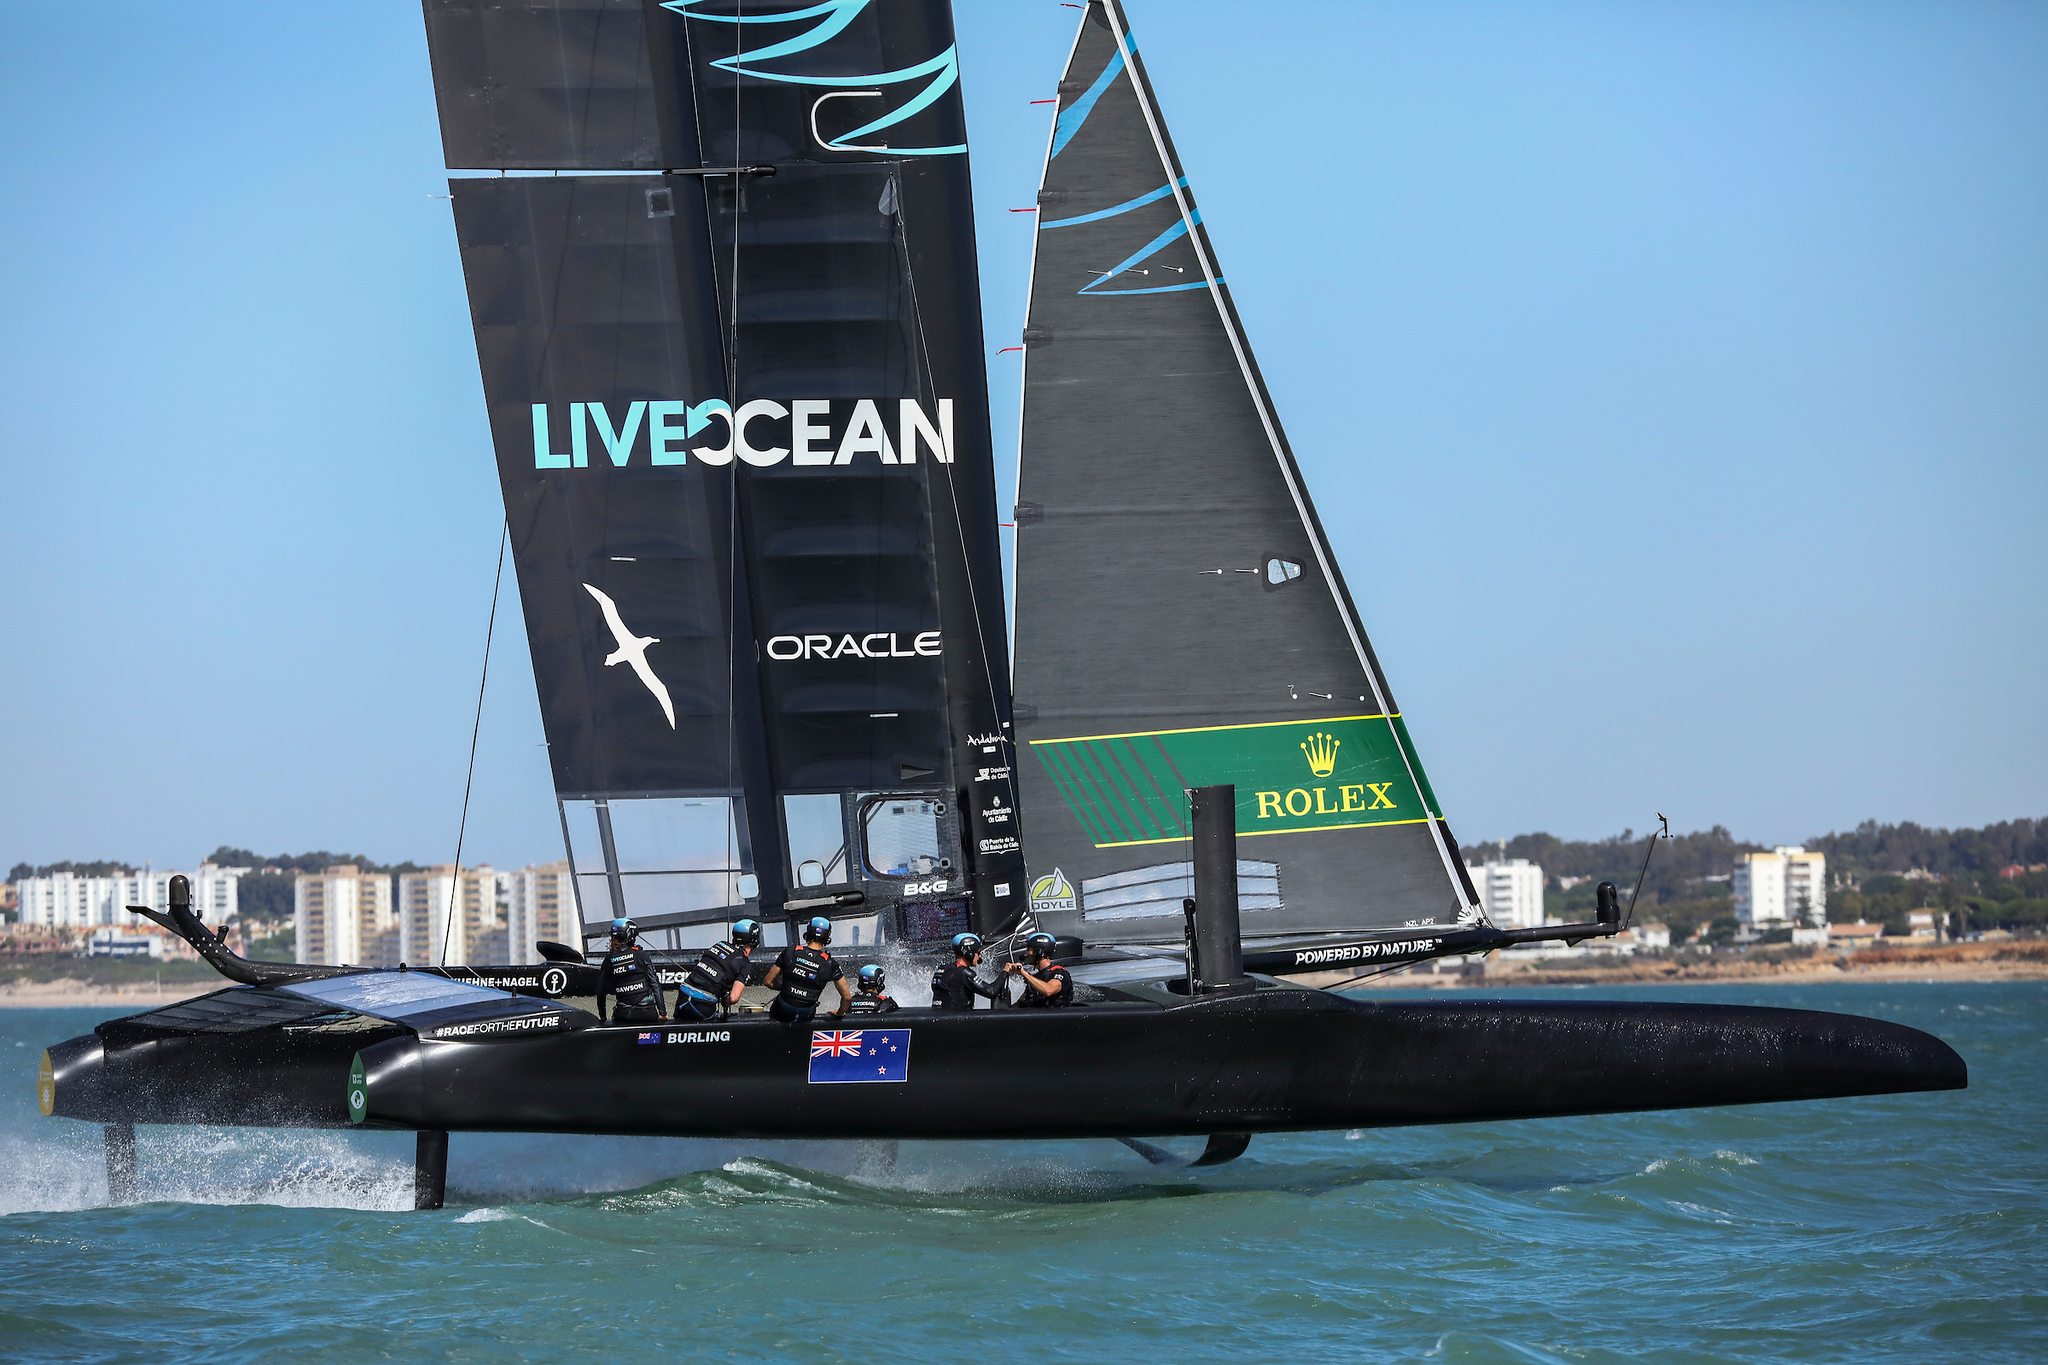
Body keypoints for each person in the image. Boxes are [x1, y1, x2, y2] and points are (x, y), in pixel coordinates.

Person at [762, 915, 851, 1025]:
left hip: (781, 1011)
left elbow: (768, 982)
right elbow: (846, 997)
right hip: (806, 1015)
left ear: (808, 932)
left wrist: (786, 988)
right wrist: (840, 1012)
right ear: (827, 937)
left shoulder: (791, 951)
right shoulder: (830, 964)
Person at [674, 918, 763, 1021]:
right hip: (703, 1005)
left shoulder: (720, 944)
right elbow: (734, 997)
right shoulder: (745, 963)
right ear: (755, 939)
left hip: (683, 995)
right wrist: (725, 1001)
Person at [594, 918, 667, 1025]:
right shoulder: (642, 955)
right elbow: (655, 984)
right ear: (631, 936)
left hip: (623, 1014)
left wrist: (603, 1017)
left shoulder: (609, 960)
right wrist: (663, 1012)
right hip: (647, 1013)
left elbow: (600, 992)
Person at [930, 932, 1005, 1011]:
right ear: (970, 953)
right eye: (978, 952)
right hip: (958, 1021)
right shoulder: (964, 973)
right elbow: (992, 991)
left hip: (940, 1019)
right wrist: (1005, 971)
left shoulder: (941, 969)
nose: (979, 956)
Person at [1004, 932, 1074, 1008]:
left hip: (1058, 1018)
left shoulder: (1059, 972)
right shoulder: (1035, 978)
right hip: (1038, 1018)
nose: (1026, 954)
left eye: (1028, 950)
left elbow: (1048, 990)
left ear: (1039, 952)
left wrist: (1024, 973)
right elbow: (1022, 1002)